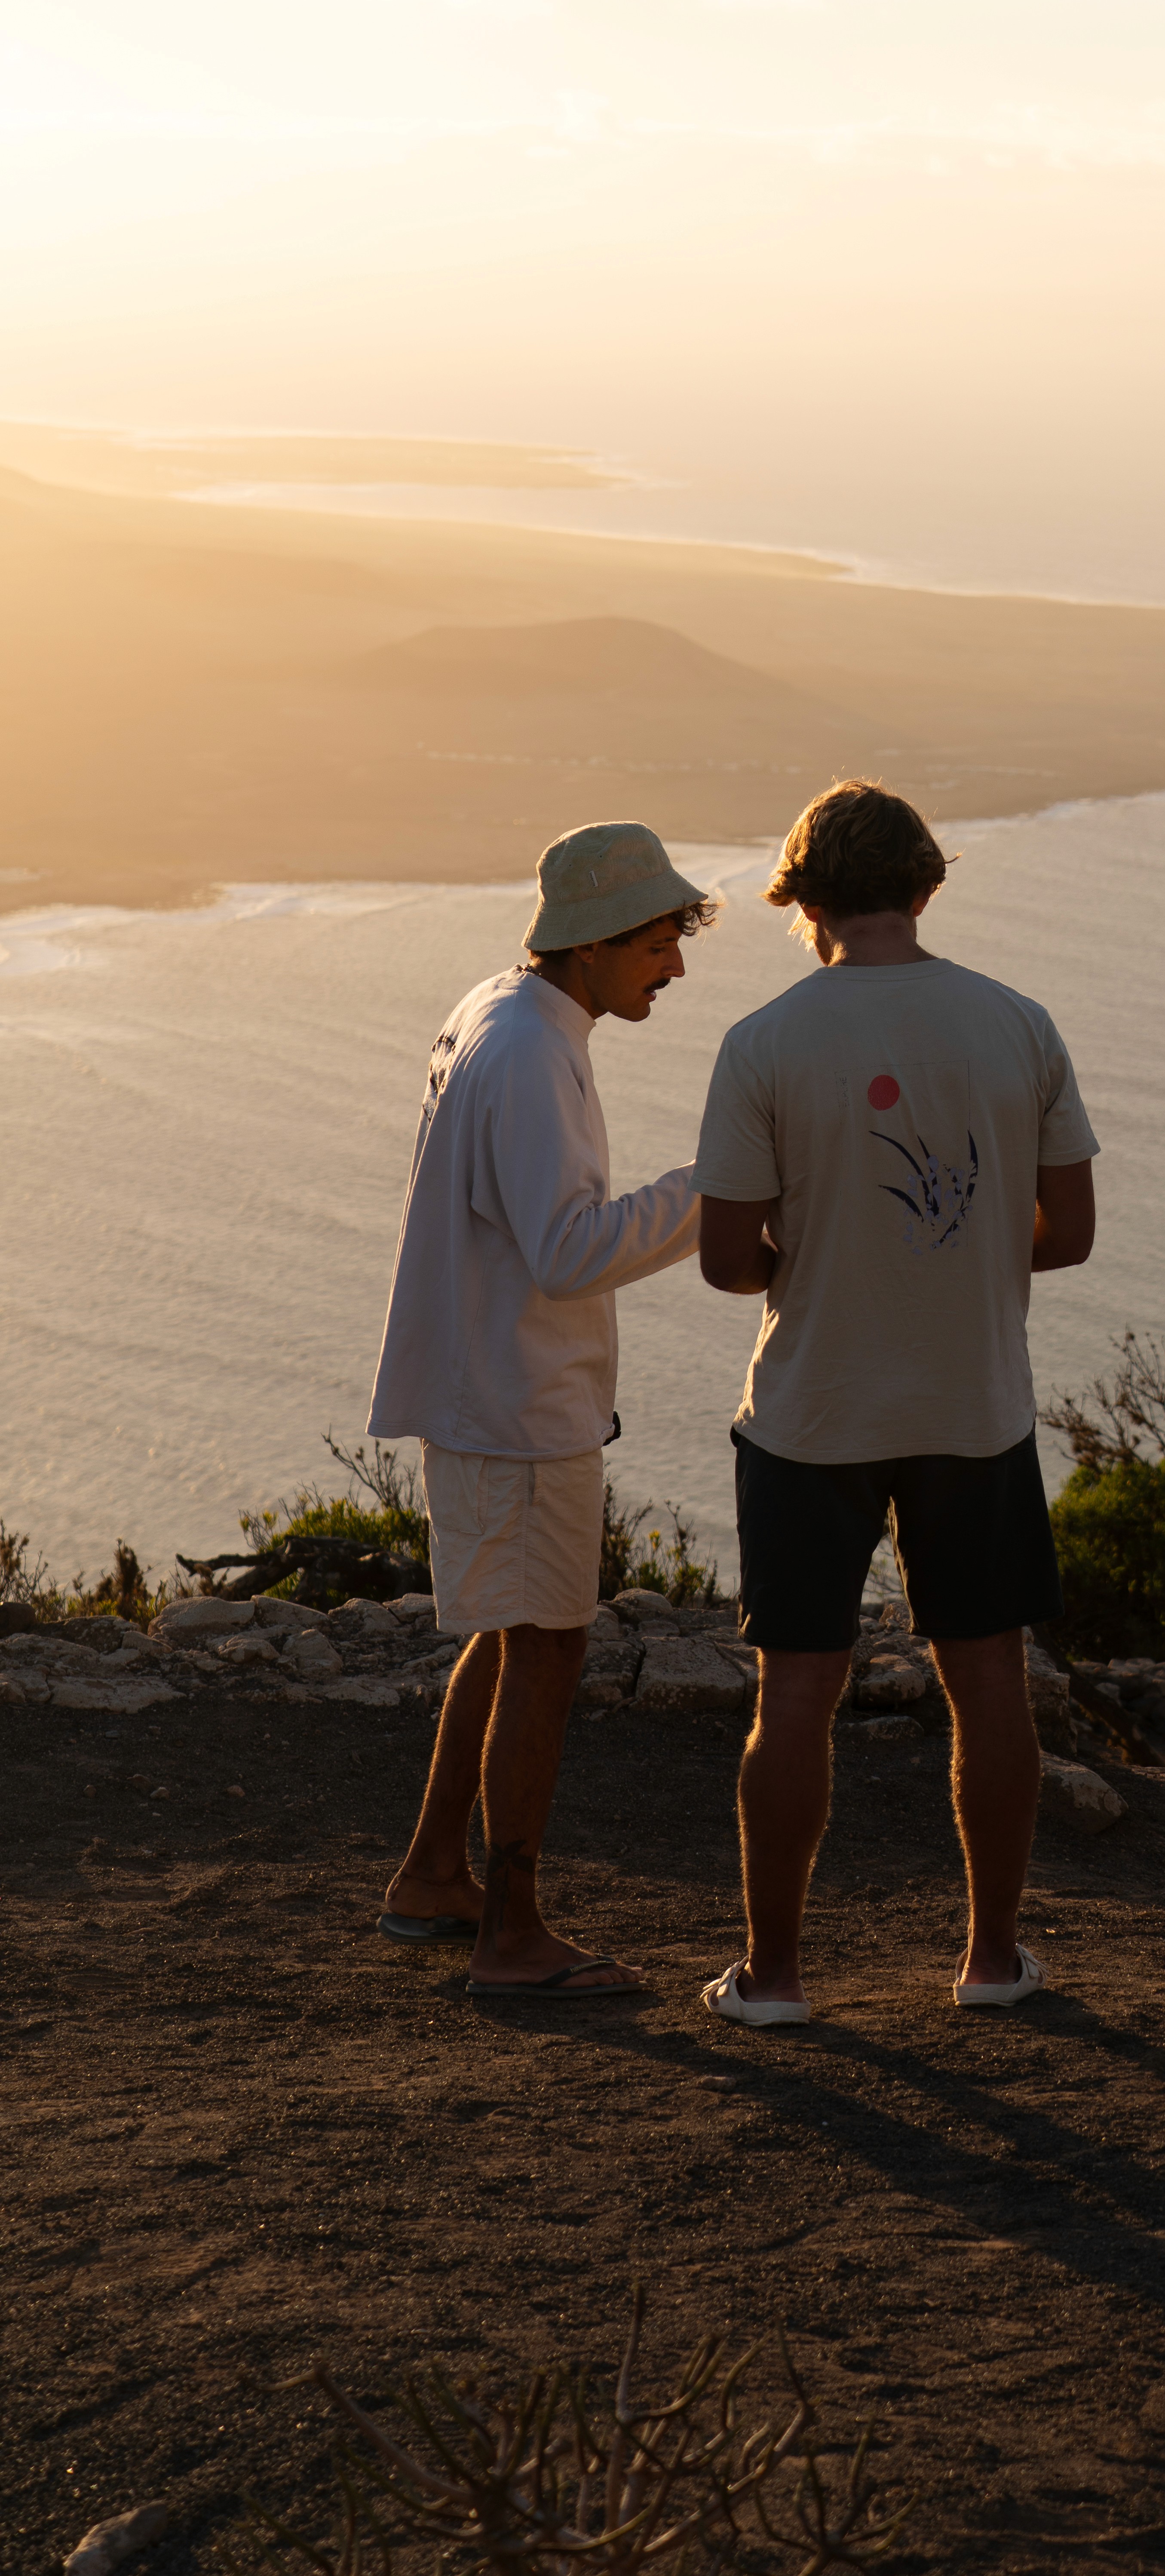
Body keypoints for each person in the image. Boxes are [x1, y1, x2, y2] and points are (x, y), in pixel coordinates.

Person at [693, 779, 1097, 2028]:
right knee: (990, 1685)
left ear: (804, 901)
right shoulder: (1018, 1025)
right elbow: (1068, 1232)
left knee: (796, 1694)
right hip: (974, 1405)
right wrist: (961, 1260)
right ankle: (989, 1961)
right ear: (926, 885)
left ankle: (772, 1977)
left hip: (812, 1411)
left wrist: (816, 1265)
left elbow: (725, 1257)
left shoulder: (763, 1042)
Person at [371, 821, 713, 1999]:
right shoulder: (528, 1052)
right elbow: (567, 1252)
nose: (675, 965)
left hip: (486, 1385)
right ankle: (512, 1935)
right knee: (552, 1645)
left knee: (513, 1632)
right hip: (516, 1399)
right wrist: (712, 1192)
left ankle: (431, 1877)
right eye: (663, 940)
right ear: (600, 940)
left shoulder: (502, 1014)